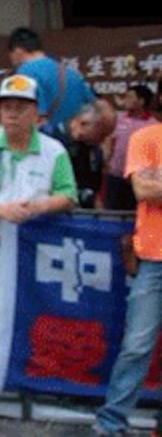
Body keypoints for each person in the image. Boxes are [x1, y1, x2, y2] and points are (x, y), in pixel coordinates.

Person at [94, 121, 162, 437]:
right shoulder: (145, 137)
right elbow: (143, 189)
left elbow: (154, 188)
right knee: (137, 344)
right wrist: (152, 185)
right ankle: (111, 423)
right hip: (153, 256)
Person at [0, 74, 77, 222]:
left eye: (20, 109)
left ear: (36, 112)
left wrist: (40, 206)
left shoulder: (55, 150)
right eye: (6, 108)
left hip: (39, 233)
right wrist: (3, 211)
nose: (12, 115)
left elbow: (68, 194)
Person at [7, 27, 97, 138]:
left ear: (17, 50)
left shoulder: (24, 73)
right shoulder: (71, 72)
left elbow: (35, 118)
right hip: (79, 144)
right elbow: (94, 106)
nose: (12, 61)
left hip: (47, 146)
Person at [104, 84, 158, 210]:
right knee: (112, 211)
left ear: (141, 101)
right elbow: (109, 140)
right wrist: (106, 161)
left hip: (140, 179)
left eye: (130, 97)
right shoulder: (118, 118)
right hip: (115, 175)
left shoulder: (152, 124)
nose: (126, 100)